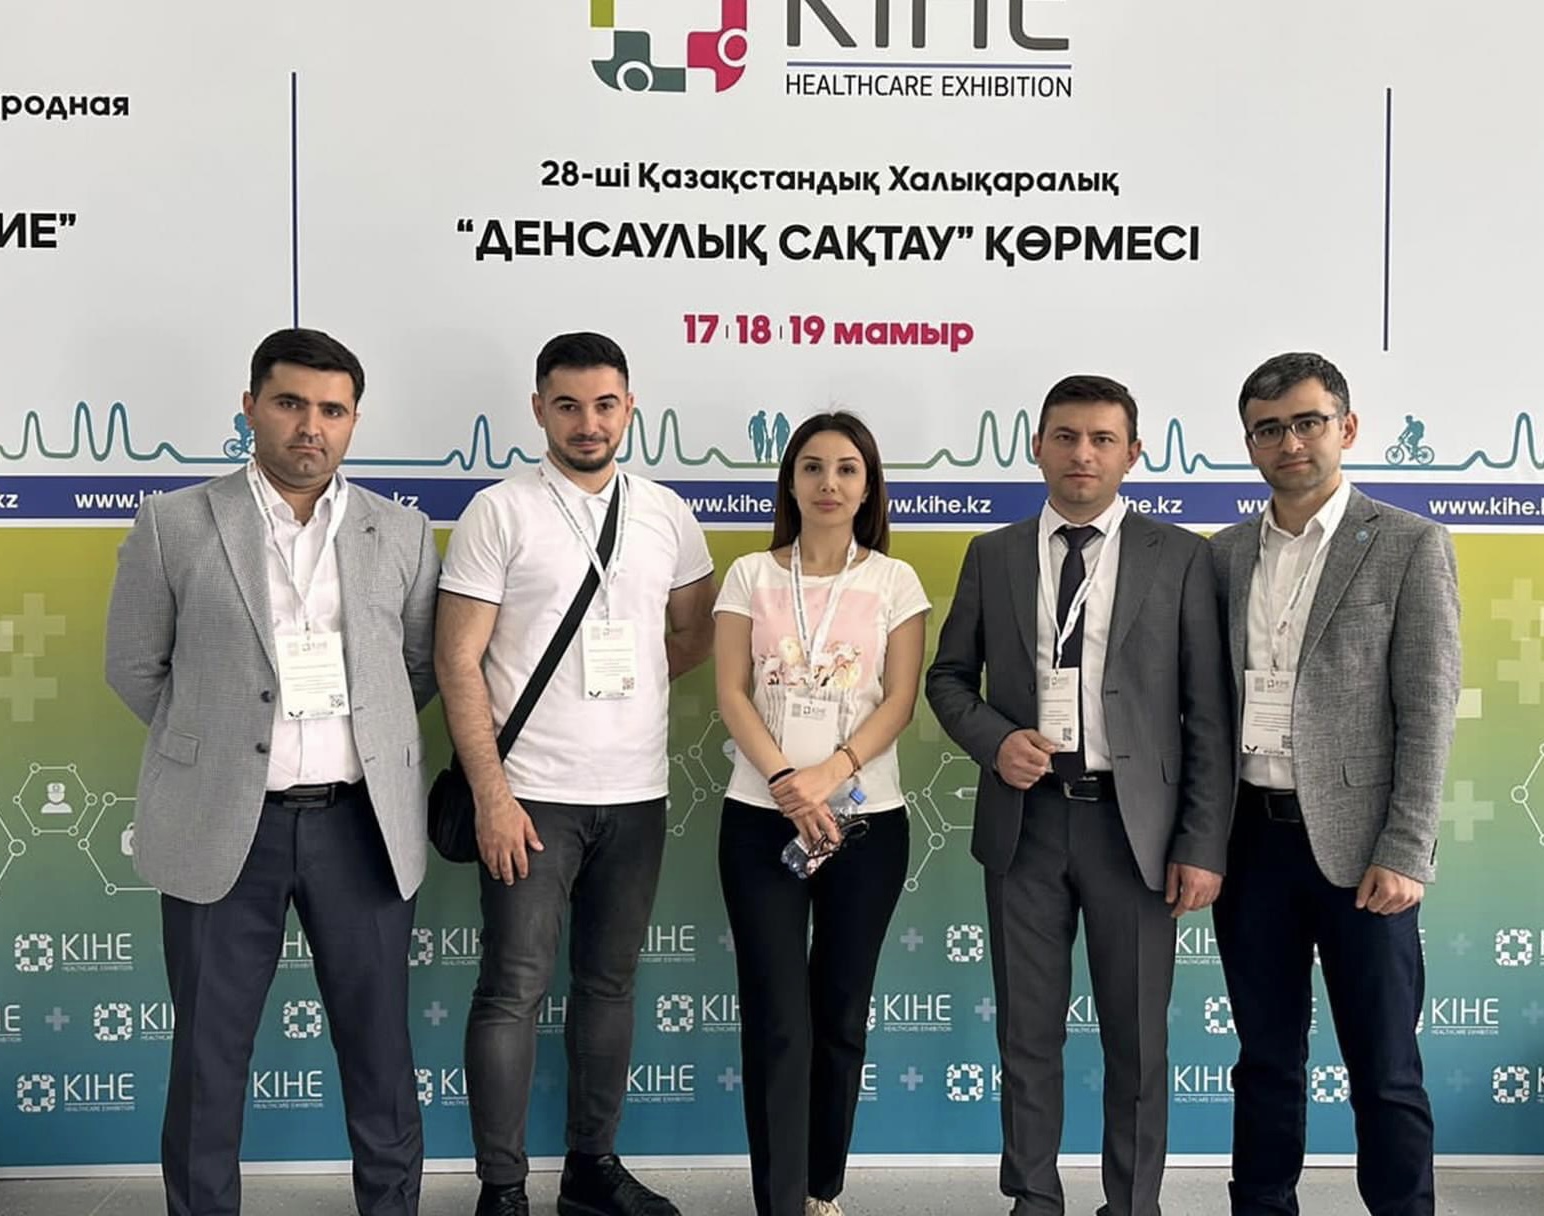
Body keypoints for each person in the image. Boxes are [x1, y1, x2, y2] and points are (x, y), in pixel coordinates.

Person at [104, 328, 439, 1216]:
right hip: (222, 824)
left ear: (354, 420)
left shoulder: (402, 533)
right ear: (250, 407)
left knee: (380, 1052)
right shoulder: (176, 523)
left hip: (360, 827)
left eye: (332, 410)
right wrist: (218, 744)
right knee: (208, 1058)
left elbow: (415, 669)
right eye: (290, 404)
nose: (310, 427)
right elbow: (135, 665)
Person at [926, 375, 1235, 1216]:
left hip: (1135, 834)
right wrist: (996, 741)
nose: (1082, 455)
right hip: (1024, 825)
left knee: (1137, 1041)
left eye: (1102, 439)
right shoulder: (992, 554)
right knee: (1027, 1033)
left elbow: (1208, 714)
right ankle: (1033, 1199)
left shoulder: (1182, 557)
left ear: (1133, 453)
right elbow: (948, 679)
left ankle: (1132, 1204)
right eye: (1065, 437)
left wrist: (1202, 843)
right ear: (1037, 447)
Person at [436, 332, 717, 1216]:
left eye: (604, 405)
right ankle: (502, 1188)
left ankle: (591, 1172)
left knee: (608, 986)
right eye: (567, 405)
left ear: (630, 407)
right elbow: (457, 660)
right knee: (511, 990)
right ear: (539, 410)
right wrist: (492, 794)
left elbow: (693, 632)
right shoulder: (500, 511)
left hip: (635, 795)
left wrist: (626, 693)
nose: (587, 423)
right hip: (530, 797)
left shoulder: (667, 513)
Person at [1210, 352, 1460, 1216]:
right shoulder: (1223, 556)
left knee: (1385, 1070)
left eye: (1308, 422)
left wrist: (1407, 848)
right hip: (1250, 842)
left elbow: (1428, 707)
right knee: (1265, 1062)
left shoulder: (1408, 544)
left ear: (1345, 428)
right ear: (1250, 443)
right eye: (1268, 428)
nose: (1290, 442)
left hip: (1365, 852)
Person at [713, 412, 930, 1216]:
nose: (828, 483)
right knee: (777, 1018)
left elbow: (900, 699)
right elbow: (731, 691)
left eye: (846, 468)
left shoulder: (894, 582)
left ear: (868, 486)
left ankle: (820, 1191)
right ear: (791, 482)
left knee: (841, 1013)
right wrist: (784, 780)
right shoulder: (749, 575)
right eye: (812, 467)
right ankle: (777, 1200)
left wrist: (830, 774)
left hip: (865, 821)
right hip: (759, 816)